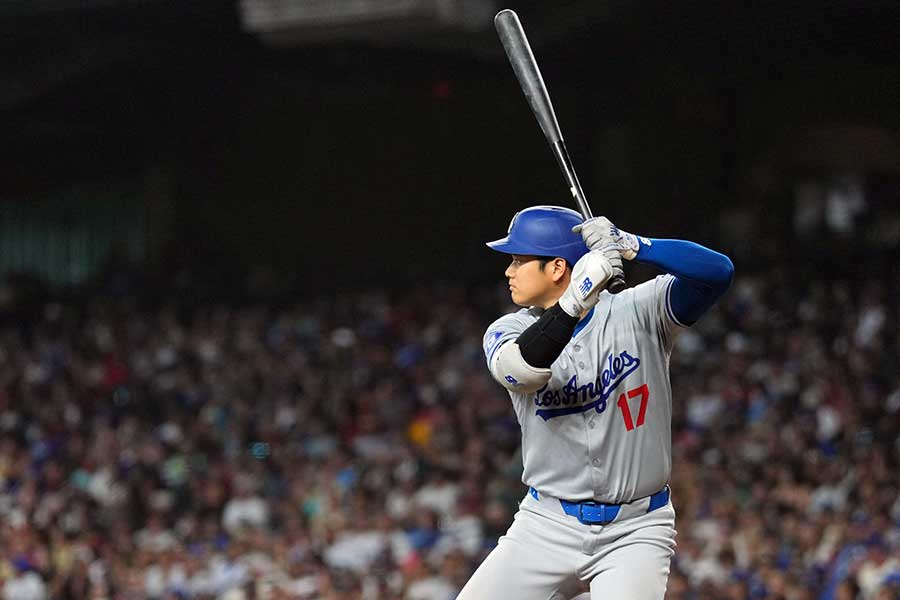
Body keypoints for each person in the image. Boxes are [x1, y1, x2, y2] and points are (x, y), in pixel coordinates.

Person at [458, 205, 734, 599]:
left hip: (635, 528)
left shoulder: (640, 311)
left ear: (556, 268)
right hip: (546, 523)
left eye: (519, 260)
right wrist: (575, 301)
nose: (509, 270)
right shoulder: (510, 327)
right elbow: (518, 370)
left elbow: (717, 273)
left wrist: (635, 246)